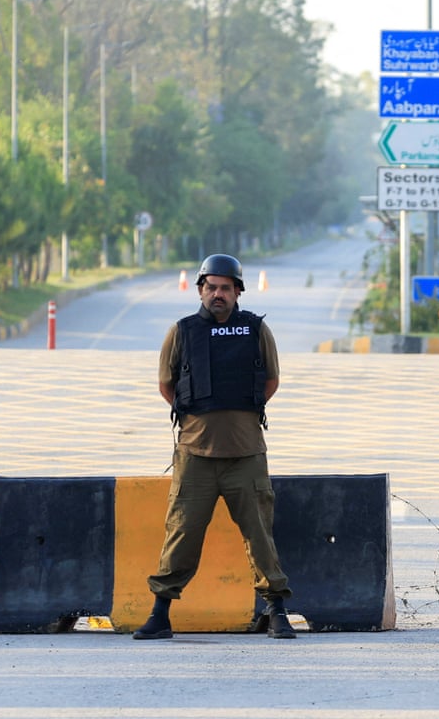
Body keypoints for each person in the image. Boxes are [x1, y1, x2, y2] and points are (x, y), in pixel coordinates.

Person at [133, 253, 295, 641]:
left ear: (238, 291)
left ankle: (276, 610)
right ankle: (160, 613)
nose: (218, 294)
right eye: (211, 288)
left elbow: (270, 381)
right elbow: (166, 385)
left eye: (225, 288)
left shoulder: (255, 330)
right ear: (200, 290)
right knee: (181, 533)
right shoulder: (182, 331)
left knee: (259, 535)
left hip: (246, 454)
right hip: (195, 456)